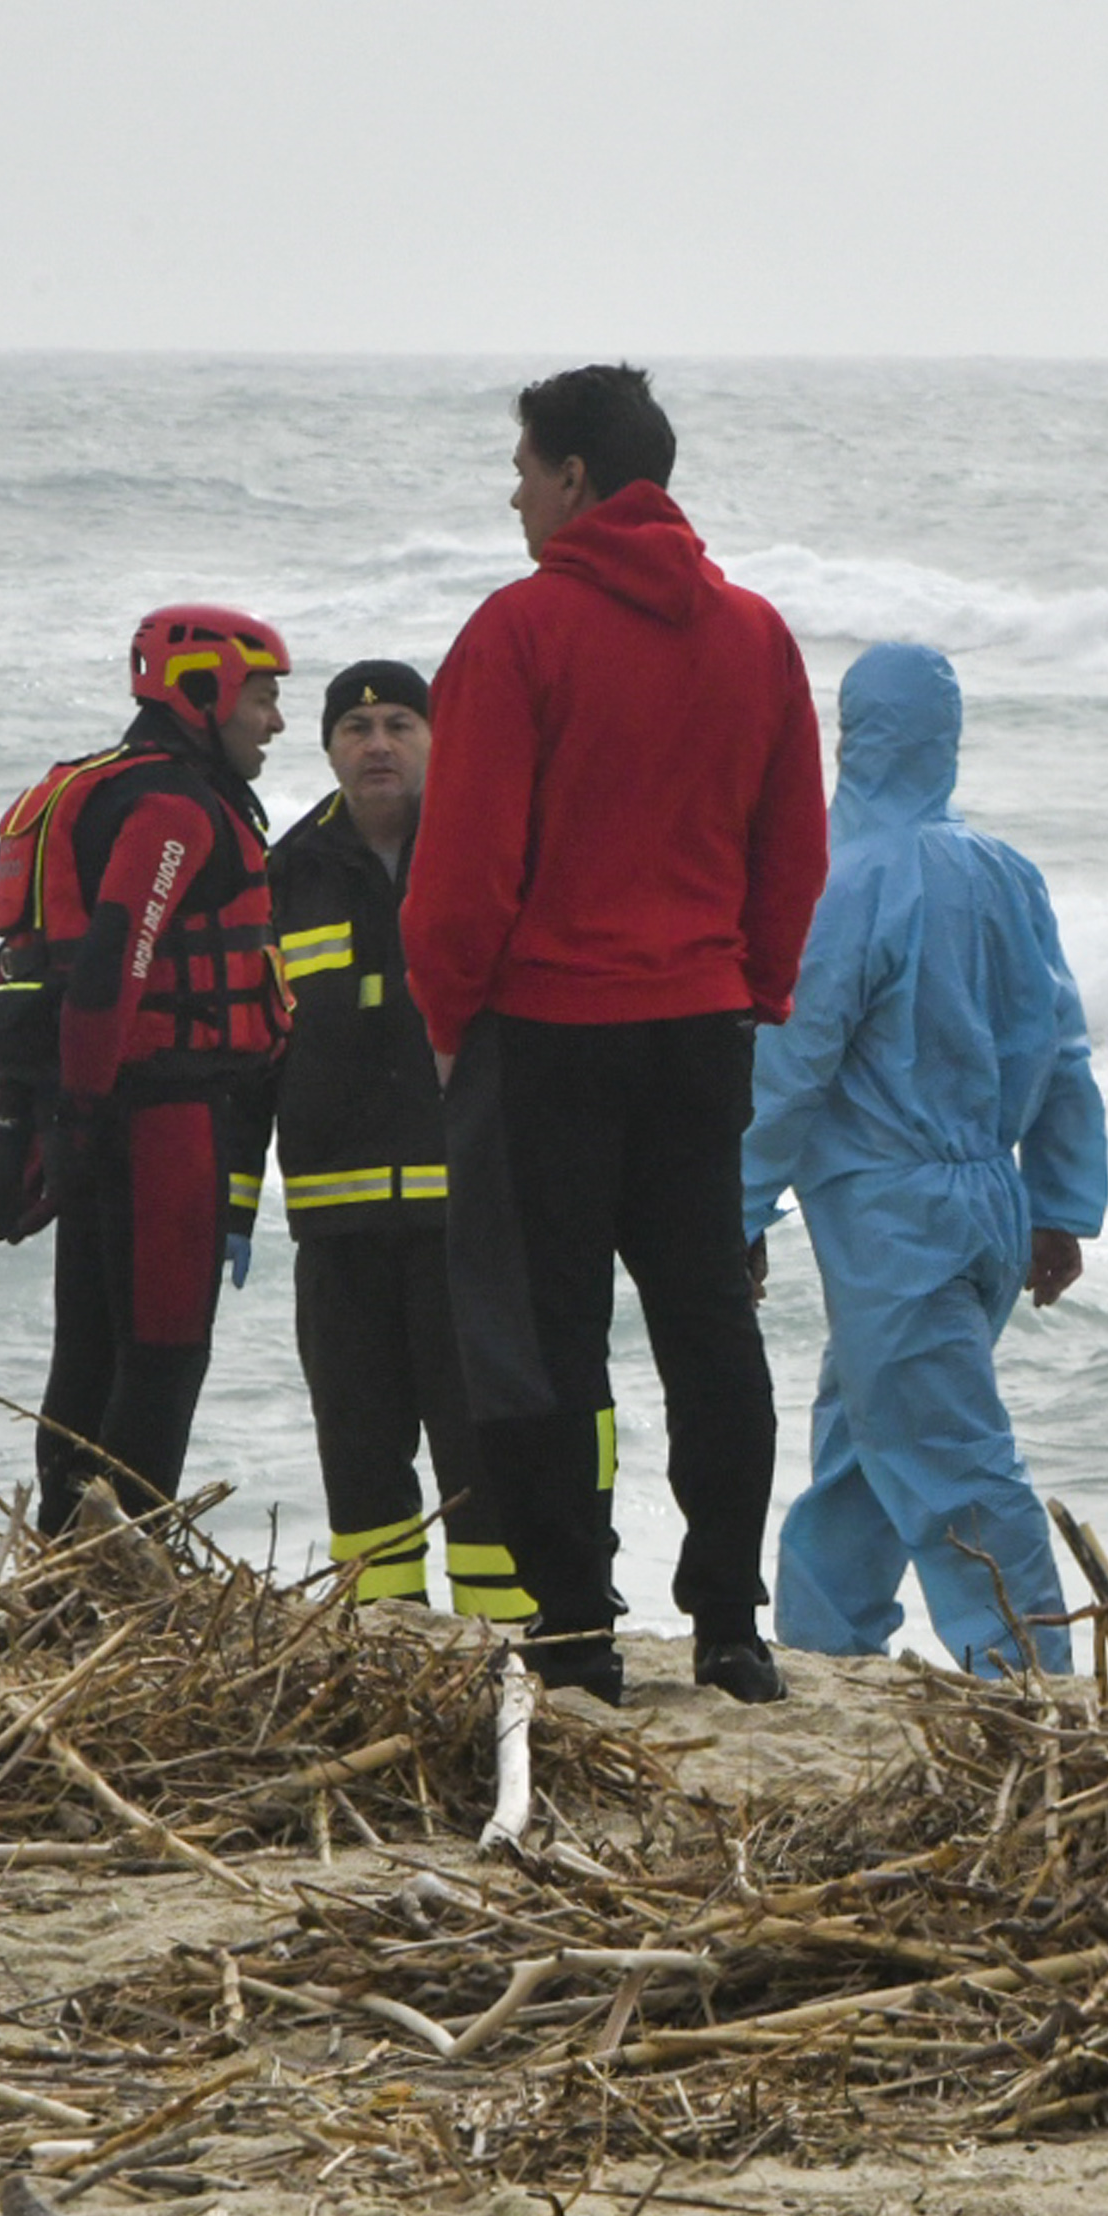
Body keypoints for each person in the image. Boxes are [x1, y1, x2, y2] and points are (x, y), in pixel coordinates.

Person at [405, 365, 829, 1706]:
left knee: (542, 1334)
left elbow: (464, 864)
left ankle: (577, 1623)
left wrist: (445, 1014)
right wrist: (751, 986)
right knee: (707, 1319)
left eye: (524, 467)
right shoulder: (756, 634)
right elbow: (793, 851)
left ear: (578, 479)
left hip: (546, 1029)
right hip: (700, 1024)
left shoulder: (519, 632)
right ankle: (728, 1626)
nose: (514, 491)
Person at [740, 643, 1106, 1676]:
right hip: (989, 1194)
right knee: (867, 1439)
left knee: (950, 1459)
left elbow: (793, 1061)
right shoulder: (1003, 871)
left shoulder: (843, 878)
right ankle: (825, 1648)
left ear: (850, 735)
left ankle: (1029, 1676)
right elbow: (1064, 1047)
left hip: (890, 1209)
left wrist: (737, 1203)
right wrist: (1060, 1202)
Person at [0, 608, 293, 1530]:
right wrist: (78, 1113)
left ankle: (62, 1563)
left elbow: (28, 971)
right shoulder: (170, 808)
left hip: (92, 1111)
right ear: (205, 691)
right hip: (158, 1117)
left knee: (87, 1351)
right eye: (265, 697)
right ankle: (119, 1572)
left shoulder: (100, 786)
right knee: (162, 1353)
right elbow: (113, 960)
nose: (274, 721)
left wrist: (42, 1123)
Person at [255, 660, 527, 1620]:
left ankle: (510, 1643)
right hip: (338, 1231)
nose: (377, 743)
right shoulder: (280, 875)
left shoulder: (486, 854)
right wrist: (233, 1204)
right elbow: (253, 1057)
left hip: (473, 1221)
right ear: (327, 748)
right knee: (360, 1452)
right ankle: (383, 1640)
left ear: (437, 740)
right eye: (355, 726)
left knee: (485, 1445)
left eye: (400, 723)